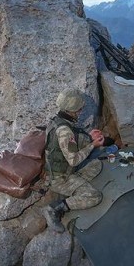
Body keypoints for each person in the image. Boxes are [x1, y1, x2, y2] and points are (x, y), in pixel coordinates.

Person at [41, 88, 104, 233]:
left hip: (63, 171)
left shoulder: (58, 120)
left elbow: (68, 145)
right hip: (60, 179)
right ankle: (54, 208)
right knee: (95, 196)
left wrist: (88, 136)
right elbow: (74, 160)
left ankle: (77, 187)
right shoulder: (64, 130)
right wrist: (93, 145)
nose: (81, 110)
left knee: (96, 165)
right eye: (80, 108)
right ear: (73, 109)